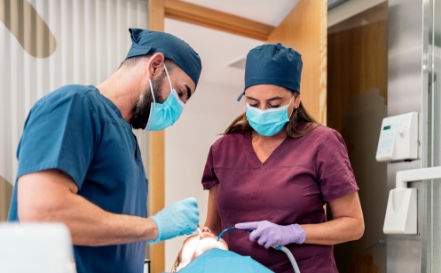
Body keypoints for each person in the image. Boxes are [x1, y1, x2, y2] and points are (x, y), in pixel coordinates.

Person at [7, 28, 201, 273]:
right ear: (155, 65)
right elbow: (42, 213)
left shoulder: (128, 144)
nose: (178, 109)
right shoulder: (74, 105)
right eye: (180, 93)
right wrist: (154, 226)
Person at [201, 43, 364, 273]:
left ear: (295, 99)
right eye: (253, 103)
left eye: (274, 104)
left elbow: (354, 225)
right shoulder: (223, 149)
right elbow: (214, 227)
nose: (263, 111)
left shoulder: (322, 143)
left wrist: (295, 232)